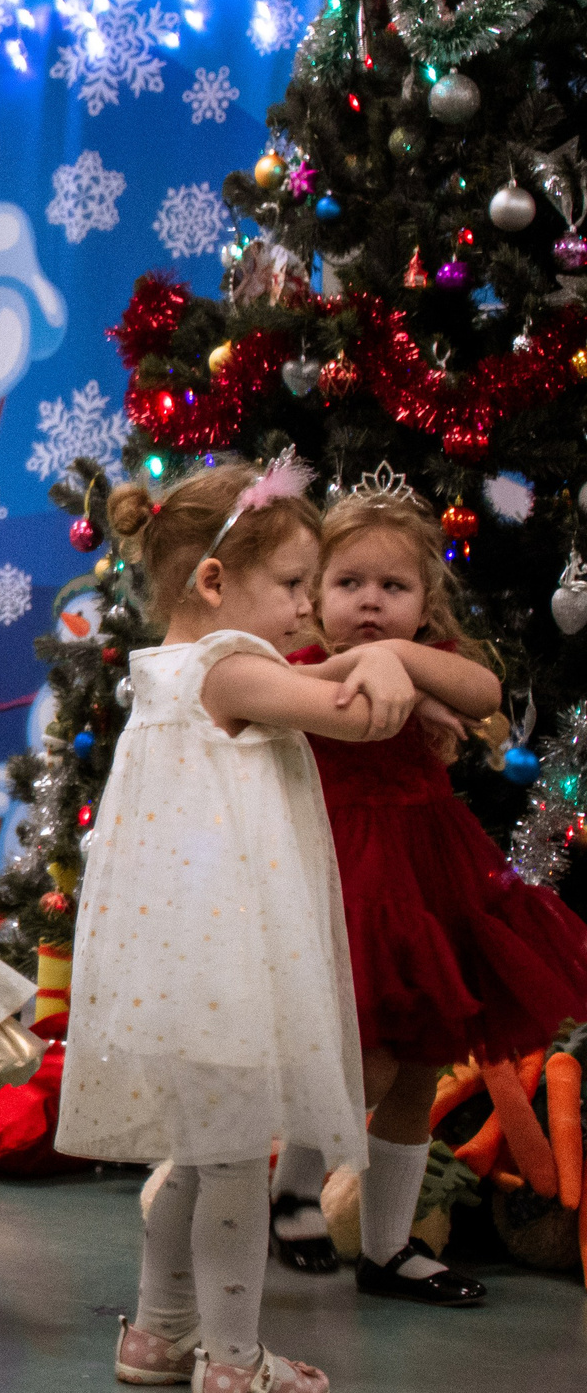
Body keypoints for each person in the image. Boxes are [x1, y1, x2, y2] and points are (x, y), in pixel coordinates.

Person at [62, 458, 416, 1393]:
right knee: (228, 1164)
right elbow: (355, 716)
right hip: (224, 967)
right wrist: (391, 661)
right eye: (295, 583)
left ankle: (159, 1328)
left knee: (199, 1151)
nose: (309, 606)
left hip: (176, 966)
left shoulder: (178, 667)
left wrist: (352, 661)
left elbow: (305, 680)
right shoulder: (229, 666)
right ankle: (231, 1359)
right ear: (214, 581)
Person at [265, 486, 587, 1304]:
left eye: (393, 586)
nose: (371, 601)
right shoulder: (301, 666)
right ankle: (294, 1186)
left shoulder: (428, 658)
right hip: (346, 877)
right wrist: (372, 664)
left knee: (418, 1069)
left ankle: (387, 1248)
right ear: (316, 595)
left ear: (424, 599)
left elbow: (484, 693)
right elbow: (322, 703)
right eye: (349, 583)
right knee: (365, 1063)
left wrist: (401, 658)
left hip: (432, 875)